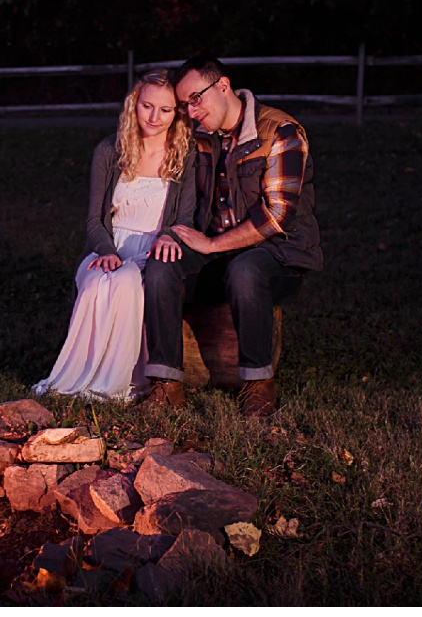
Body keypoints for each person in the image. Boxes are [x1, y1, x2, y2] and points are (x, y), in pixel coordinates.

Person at [138, 56, 322, 418]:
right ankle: (166, 382)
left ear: (222, 86)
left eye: (195, 100)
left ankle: (256, 383)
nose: (190, 112)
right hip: (216, 250)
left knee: (245, 269)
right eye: (184, 104)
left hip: (278, 253)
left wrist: (211, 245)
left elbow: (277, 216)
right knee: (162, 263)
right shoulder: (200, 136)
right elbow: (181, 192)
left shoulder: (280, 131)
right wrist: (172, 234)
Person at [33, 70, 196, 401]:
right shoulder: (110, 150)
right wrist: (106, 251)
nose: (154, 117)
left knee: (125, 283)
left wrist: (168, 237)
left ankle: (120, 383)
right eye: (147, 106)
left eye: (165, 110)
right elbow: (94, 219)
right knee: (96, 282)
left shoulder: (185, 153)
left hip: (152, 252)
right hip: (109, 245)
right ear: (134, 104)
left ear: (176, 112)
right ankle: (76, 377)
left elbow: (185, 215)